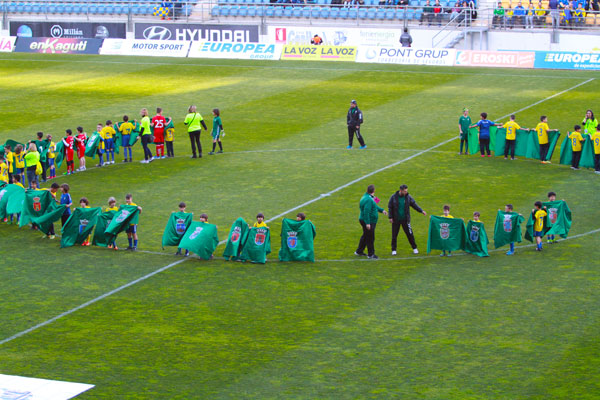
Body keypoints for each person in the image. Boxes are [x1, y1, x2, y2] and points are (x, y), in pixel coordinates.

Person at [388, 184, 427, 255]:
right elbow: (390, 207)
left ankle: (414, 248)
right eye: (405, 191)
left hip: (405, 219)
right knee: (394, 235)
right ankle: (394, 250)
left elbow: (414, 204)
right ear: (401, 190)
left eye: (406, 191)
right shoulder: (393, 197)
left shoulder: (408, 197)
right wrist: (390, 217)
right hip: (396, 220)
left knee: (410, 234)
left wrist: (421, 211)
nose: (406, 192)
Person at [355, 184, 388, 259]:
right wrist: (368, 223)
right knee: (370, 237)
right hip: (368, 221)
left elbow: (375, 205)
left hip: (364, 219)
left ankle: (359, 251)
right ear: (374, 191)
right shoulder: (369, 200)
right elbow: (366, 211)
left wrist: (382, 210)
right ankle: (371, 254)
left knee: (366, 235)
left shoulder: (366, 197)